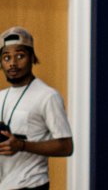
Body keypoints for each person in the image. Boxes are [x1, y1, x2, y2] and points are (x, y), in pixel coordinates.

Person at [0, 26, 73, 190]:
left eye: (20, 56)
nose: (12, 63)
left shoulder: (47, 96)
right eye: (6, 57)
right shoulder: (1, 97)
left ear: (32, 58)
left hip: (31, 184)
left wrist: (22, 145)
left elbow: (66, 146)